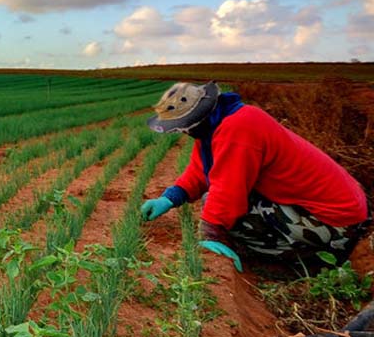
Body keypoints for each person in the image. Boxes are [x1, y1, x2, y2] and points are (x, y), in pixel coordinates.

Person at [140, 82, 369, 272]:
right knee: (218, 205)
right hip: (332, 207)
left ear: (196, 119)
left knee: (229, 215)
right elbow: (200, 171)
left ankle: (309, 262)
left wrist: (211, 235)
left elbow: (227, 192)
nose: (183, 132)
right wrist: (170, 198)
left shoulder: (238, 129)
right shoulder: (221, 123)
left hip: (336, 221)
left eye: (182, 127)